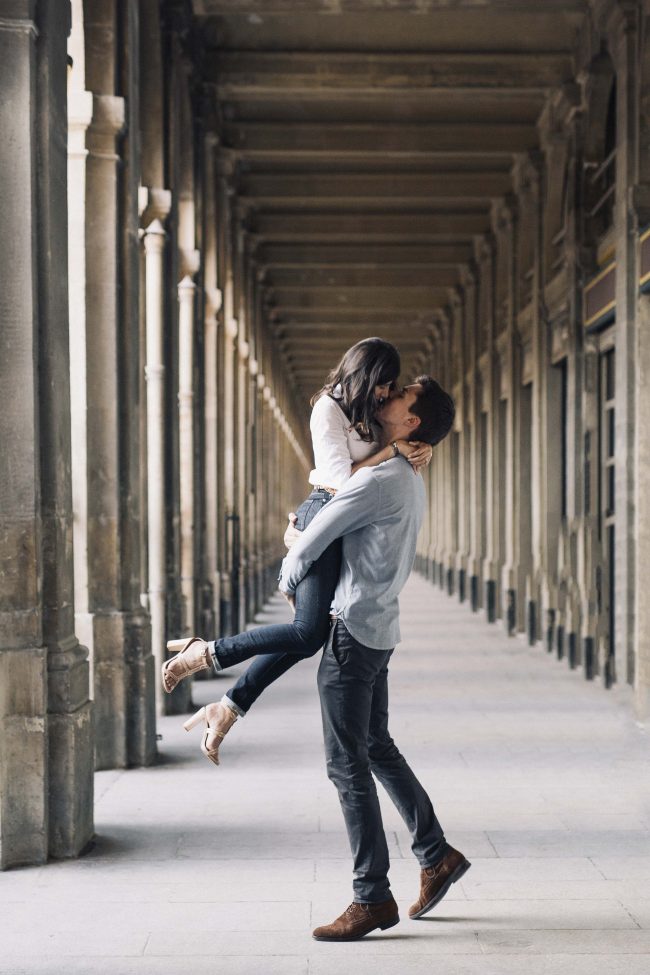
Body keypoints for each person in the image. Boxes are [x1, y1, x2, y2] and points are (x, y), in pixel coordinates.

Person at [161, 338, 432, 763]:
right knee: (308, 633)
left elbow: (401, 436)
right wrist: (391, 452)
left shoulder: (369, 412)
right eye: (384, 383)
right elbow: (345, 483)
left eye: (393, 387)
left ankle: (228, 705)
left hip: (346, 521)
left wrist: (419, 445)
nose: (387, 393)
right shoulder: (327, 408)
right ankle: (209, 655)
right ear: (366, 375)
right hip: (326, 509)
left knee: (312, 633)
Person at [278, 377, 470, 942]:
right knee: (377, 746)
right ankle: (436, 855)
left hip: (350, 630)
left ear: (412, 422)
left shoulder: (380, 482)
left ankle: (372, 896)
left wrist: (289, 580)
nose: (388, 397)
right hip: (379, 627)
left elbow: (313, 535)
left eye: (401, 396)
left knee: (346, 765)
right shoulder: (407, 473)